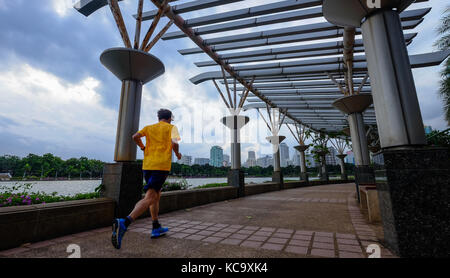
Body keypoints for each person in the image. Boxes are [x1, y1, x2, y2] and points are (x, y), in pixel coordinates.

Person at [112, 109, 182, 249]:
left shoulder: (149, 128)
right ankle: (124, 222)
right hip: (161, 166)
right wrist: (177, 153)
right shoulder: (171, 128)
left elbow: (135, 136)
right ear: (169, 118)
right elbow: (174, 143)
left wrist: (143, 147)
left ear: (159, 117)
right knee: (151, 197)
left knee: (156, 195)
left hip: (148, 165)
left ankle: (156, 226)